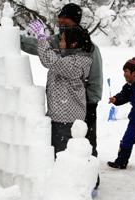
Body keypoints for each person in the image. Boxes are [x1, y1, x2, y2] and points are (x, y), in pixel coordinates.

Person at [21, 3, 103, 158]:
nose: (61, 25)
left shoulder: (86, 50)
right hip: (62, 110)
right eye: (60, 21)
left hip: (80, 106)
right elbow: (38, 47)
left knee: (83, 143)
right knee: (66, 145)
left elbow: (95, 78)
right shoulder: (60, 41)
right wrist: (15, 38)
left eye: (65, 21)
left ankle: (88, 177)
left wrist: (91, 102)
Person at [29, 19, 92, 158]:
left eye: (62, 40)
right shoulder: (68, 57)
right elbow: (51, 58)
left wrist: (41, 38)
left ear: (73, 44)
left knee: (64, 158)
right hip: (61, 119)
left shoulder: (76, 63)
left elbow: (51, 61)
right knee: (65, 156)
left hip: (67, 121)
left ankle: (80, 179)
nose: (60, 43)